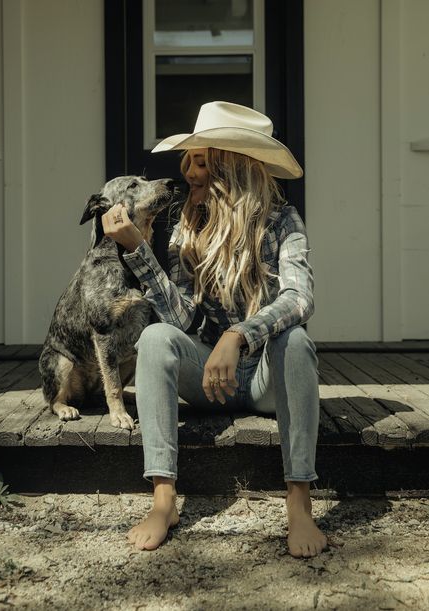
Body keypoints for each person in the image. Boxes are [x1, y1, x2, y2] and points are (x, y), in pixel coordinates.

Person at [101, 101, 328, 558]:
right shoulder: (187, 227)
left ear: (234, 168)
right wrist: (138, 249)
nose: (188, 171)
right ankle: (164, 499)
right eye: (188, 159)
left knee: (297, 341)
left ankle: (299, 501)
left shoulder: (284, 223)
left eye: (200, 160)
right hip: (208, 376)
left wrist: (238, 334)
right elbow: (182, 320)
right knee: (155, 338)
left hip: (265, 377)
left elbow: (300, 299)